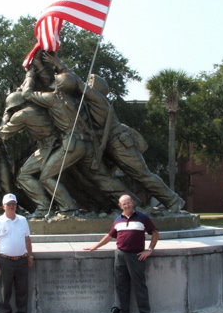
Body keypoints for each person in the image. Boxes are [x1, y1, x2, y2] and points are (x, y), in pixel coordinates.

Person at [42, 51, 185, 213]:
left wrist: (59, 64)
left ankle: (174, 201)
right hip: (109, 142)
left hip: (119, 141)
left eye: (90, 82)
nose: (87, 84)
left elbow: (76, 82)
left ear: (96, 88)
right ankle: (131, 203)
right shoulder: (89, 102)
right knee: (100, 177)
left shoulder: (98, 99)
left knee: (141, 174)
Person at [84, 194, 159, 313]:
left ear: (133, 203)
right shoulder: (118, 220)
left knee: (139, 285)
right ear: (120, 206)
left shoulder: (142, 218)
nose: (127, 205)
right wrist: (95, 246)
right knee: (121, 285)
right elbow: (109, 236)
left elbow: (155, 233)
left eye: (128, 202)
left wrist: (149, 250)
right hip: (120, 255)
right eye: (124, 203)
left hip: (136, 256)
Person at [0, 193, 34, 313]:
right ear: (3, 206)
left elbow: (27, 239)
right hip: (5, 260)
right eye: (9, 204)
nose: (12, 206)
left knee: (22, 290)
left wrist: (30, 256)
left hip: (21, 260)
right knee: (5, 290)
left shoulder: (22, 220)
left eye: (14, 204)